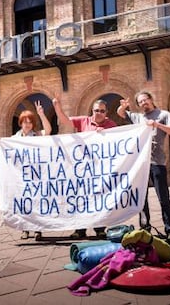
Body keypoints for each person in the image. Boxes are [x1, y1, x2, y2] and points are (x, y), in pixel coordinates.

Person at [117, 90, 170, 243]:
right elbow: (120, 113)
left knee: (163, 198)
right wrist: (123, 107)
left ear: (151, 100)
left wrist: (157, 124)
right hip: (140, 165)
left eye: (145, 100)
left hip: (157, 163)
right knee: (142, 199)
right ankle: (145, 228)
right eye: (140, 102)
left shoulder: (163, 115)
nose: (143, 103)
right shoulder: (138, 117)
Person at [52, 98, 117, 239]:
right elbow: (65, 121)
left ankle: (100, 228)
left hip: (101, 168)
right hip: (83, 167)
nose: (98, 113)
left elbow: (117, 141)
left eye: (102, 111)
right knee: (81, 198)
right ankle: (79, 229)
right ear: (91, 111)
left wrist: (106, 134)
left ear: (106, 112)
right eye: (96, 110)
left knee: (100, 198)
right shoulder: (84, 121)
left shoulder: (111, 124)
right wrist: (57, 107)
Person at [11, 101, 52, 240]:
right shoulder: (14, 139)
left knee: (37, 202)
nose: (27, 125)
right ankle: (25, 229)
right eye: (25, 122)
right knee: (25, 203)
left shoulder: (37, 135)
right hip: (21, 177)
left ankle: (38, 229)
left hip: (37, 176)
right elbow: (4, 150)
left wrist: (41, 114)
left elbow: (49, 130)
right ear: (20, 123)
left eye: (30, 122)